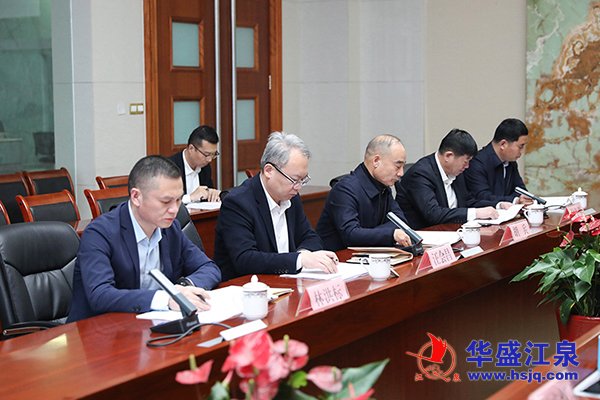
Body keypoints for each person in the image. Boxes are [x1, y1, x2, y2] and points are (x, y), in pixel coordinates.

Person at [68, 155, 221, 322]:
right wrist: (166, 298)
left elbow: (209, 267)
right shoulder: (99, 233)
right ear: (136, 197)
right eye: (166, 201)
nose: (174, 209)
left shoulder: (171, 229)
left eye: (178, 200)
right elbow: (100, 295)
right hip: (101, 329)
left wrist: (183, 288)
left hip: (154, 323)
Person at [214, 131, 338, 281]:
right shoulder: (237, 203)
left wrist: (305, 254)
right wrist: (299, 260)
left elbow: (310, 237)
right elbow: (245, 259)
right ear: (269, 171)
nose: (298, 187)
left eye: (303, 180)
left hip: (285, 282)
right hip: (247, 287)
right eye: (294, 180)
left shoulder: (291, 197)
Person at [396, 129, 511, 229]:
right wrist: (476, 213)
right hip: (425, 237)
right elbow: (433, 214)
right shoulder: (420, 174)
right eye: (465, 161)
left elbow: (468, 201)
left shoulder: (455, 171)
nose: (467, 166)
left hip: (453, 232)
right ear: (448, 156)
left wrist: (498, 205)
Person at [316, 134, 412, 251]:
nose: (401, 173)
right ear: (376, 161)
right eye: (397, 166)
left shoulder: (383, 186)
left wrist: (370, 234)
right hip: (338, 258)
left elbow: (400, 221)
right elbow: (351, 234)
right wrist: (391, 234)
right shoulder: (344, 189)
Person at [464, 118, 533, 205]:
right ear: (503, 144)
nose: (522, 151)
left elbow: (520, 190)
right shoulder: (476, 163)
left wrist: (521, 198)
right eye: (520, 146)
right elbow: (482, 196)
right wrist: (515, 200)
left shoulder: (511, 162)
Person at [169, 125, 221, 203]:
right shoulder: (169, 168)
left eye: (213, 154)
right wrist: (190, 197)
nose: (210, 160)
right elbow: (166, 202)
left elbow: (208, 196)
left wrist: (212, 194)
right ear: (191, 149)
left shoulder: (205, 168)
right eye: (206, 154)